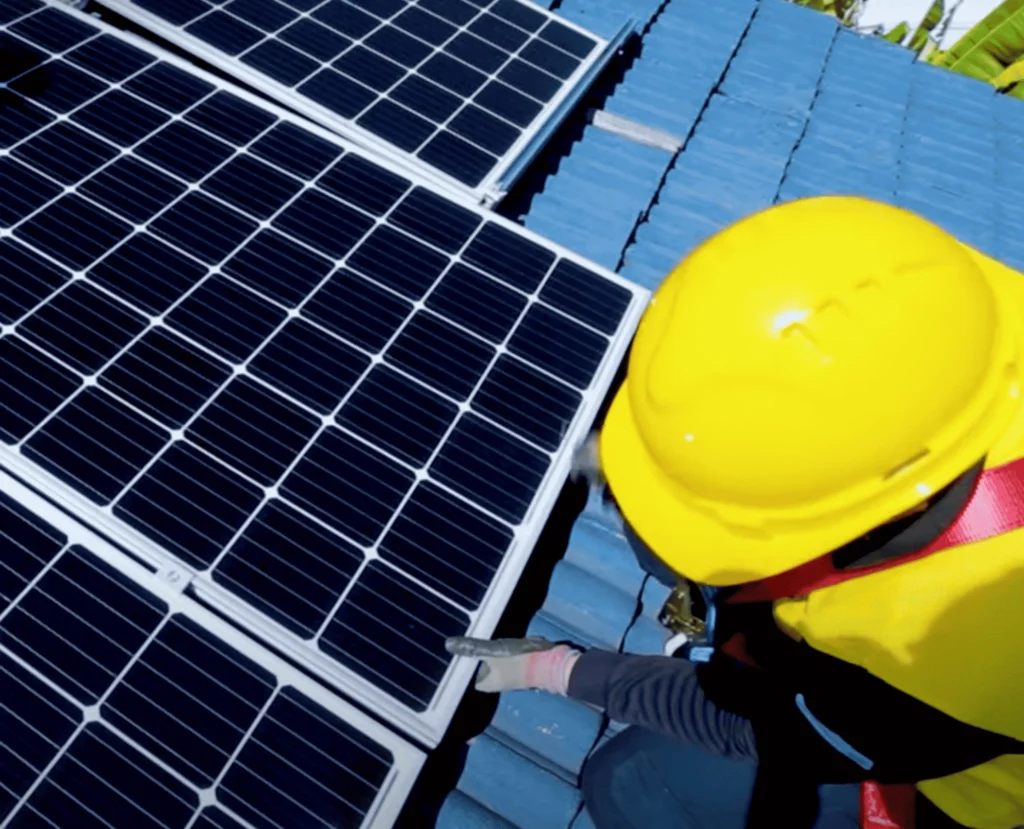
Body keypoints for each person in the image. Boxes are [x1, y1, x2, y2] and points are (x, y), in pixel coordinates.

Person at [447, 196, 1024, 829]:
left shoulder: (935, 669)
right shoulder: (955, 327)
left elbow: (749, 725)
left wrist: (557, 668)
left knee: (636, 785)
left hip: (962, 785)